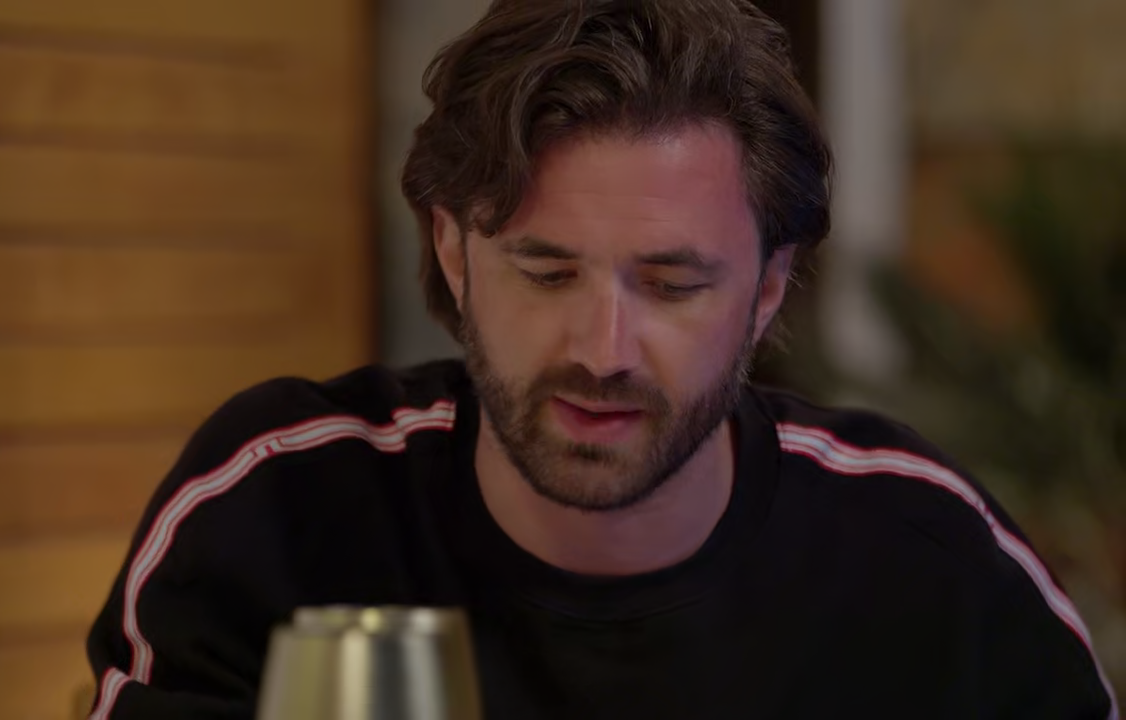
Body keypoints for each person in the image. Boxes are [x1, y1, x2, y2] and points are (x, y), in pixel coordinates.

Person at [84, 1, 1118, 718]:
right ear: (454, 250)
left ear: (767, 289)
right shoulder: (280, 510)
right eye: (546, 273)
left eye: (671, 285)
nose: (601, 350)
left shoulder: (927, 566)